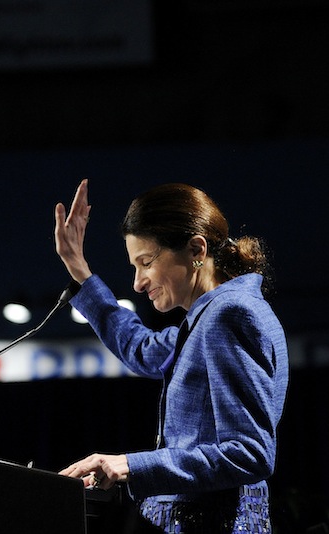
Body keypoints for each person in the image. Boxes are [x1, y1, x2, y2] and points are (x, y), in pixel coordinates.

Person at [53, 179, 289, 533]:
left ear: (196, 249)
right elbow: (141, 349)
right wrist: (79, 270)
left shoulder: (230, 315)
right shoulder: (206, 319)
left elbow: (250, 453)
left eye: (145, 262)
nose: (137, 282)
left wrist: (131, 466)